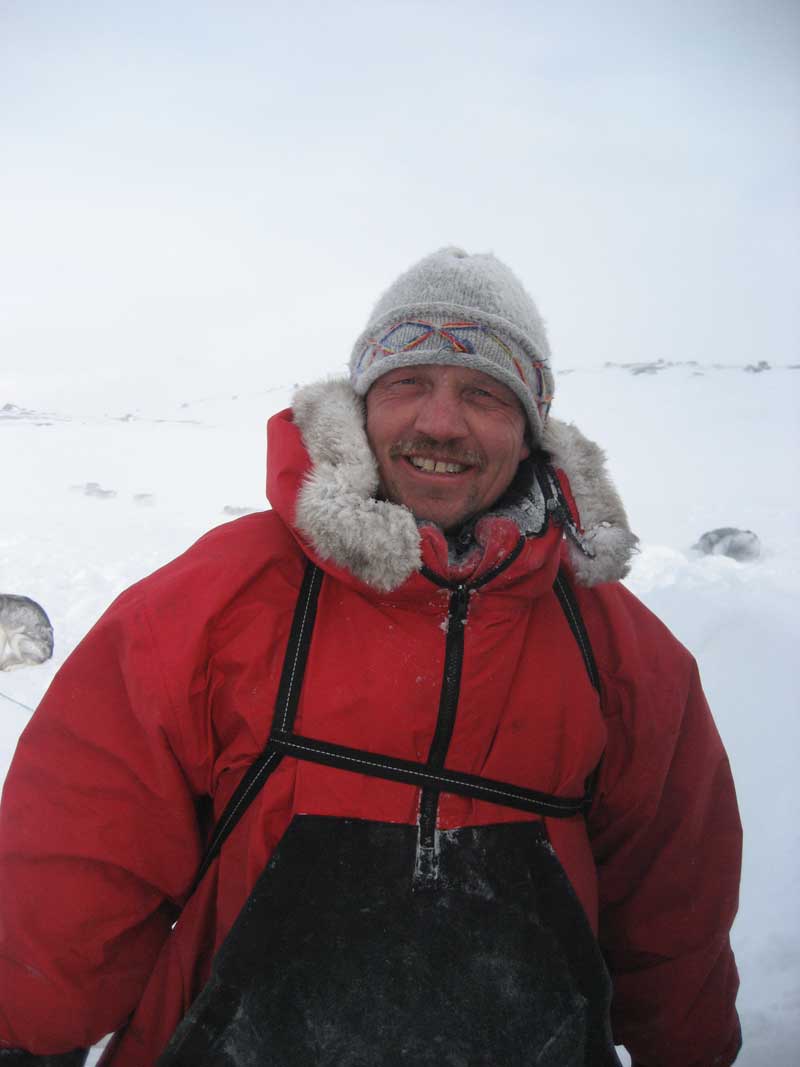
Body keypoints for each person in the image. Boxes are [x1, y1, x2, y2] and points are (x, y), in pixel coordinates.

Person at [0, 248, 742, 1066]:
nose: (440, 422)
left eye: (485, 393)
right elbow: (85, 844)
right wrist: (27, 1032)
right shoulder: (218, 599)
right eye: (406, 383)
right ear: (358, 411)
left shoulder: (624, 657)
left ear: (531, 430)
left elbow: (676, 909)